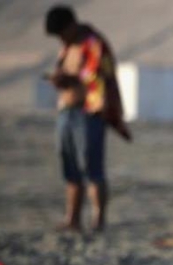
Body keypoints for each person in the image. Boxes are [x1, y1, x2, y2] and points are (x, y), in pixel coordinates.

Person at [44, 5, 131, 232]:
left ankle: (98, 221)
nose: (61, 38)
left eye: (62, 32)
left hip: (89, 112)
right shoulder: (67, 47)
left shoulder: (93, 44)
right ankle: (72, 219)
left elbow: (101, 76)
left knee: (93, 168)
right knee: (70, 166)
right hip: (66, 110)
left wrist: (72, 80)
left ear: (71, 25)